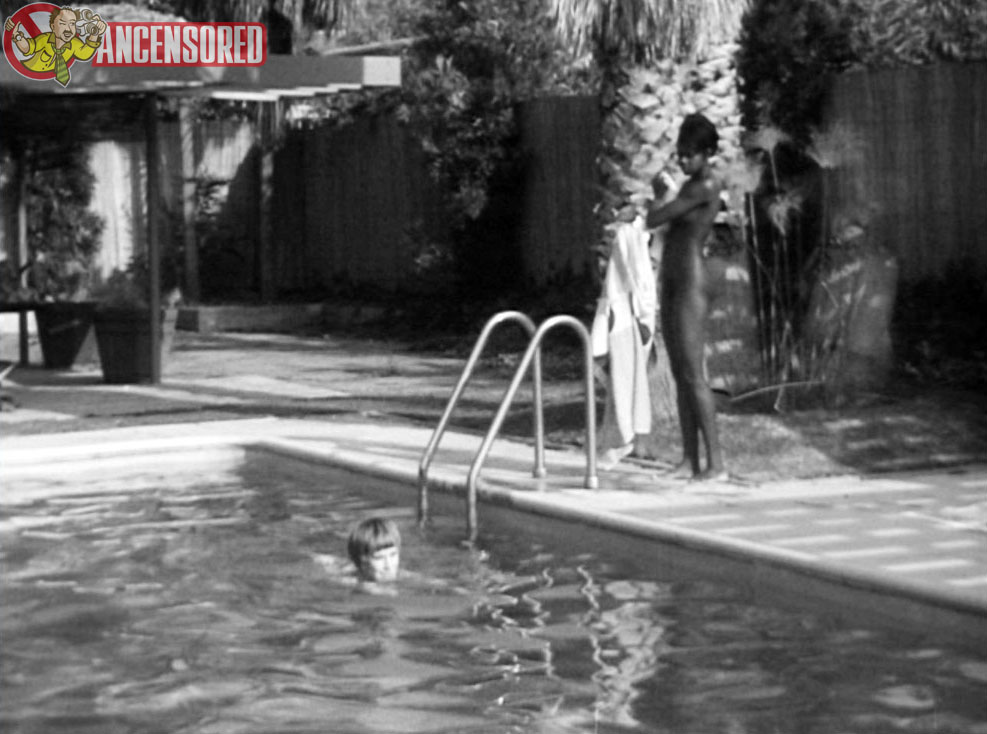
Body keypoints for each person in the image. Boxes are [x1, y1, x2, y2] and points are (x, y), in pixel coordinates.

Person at [646, 113, 727, 481]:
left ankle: (717, 465)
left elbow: (656, 218)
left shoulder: (704, 186)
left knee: (694, 374)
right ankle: (689, 461)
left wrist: (658, 195)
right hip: (674, 279)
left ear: (707, 152)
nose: (682, 160)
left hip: (692, 282)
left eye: (689, 154)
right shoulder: (689, 185)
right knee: (680, 374)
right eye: (679, 153)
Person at [5, 6, 106, 87]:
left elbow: (85, 53)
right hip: (29, 79)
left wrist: (95, 34)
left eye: (72, 24)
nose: (68, 29)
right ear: (53, 27)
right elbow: (27, 48)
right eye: (62, 24)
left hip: (58, 87)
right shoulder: (45, 39)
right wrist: (17, 36)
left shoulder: (74, 43)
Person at [347, 517, 401, 586]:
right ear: (362, 562)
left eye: (393, 554)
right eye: (379, 558)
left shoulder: (405, 575)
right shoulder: (358, 585)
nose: (388, 565)